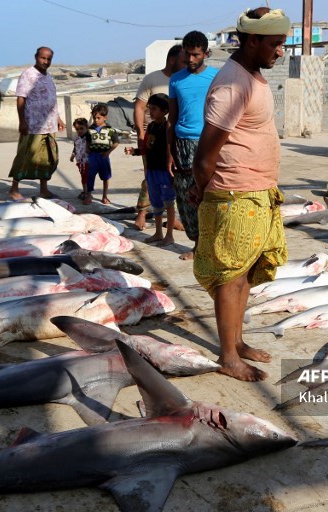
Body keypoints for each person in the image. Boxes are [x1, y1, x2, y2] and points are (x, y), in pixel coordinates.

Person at [192, 7, 290, 381]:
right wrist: (204, 197)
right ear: (252, 41)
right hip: (234, 194)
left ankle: (237, 341)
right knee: (229, 278)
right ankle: (228, 356)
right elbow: (205, 156)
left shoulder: (252, 76)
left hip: (257, 192)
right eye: (276, 44)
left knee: (244, 271)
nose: (280, 51)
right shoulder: (233, 84)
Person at [169, 30, 218, 260]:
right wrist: (170, 153)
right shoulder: (176, 80)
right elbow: (172, 118)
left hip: (209, 142)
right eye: (187, 54)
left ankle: (212, 245)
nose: (190, 60)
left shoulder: (217, 78)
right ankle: (198, 245)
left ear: (206, 53)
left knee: (210, 193)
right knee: (186, 197)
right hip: (182, 145)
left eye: (195, 55)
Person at [132, 44, 185, 231]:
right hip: (152, 136)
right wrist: (140, 133)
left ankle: (173, 218)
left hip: (176, 138)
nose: (186, 63)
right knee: (150, 176)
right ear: (172, 60)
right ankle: (142, 212)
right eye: (183, 59)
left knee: (172, 179)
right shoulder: (153, 79)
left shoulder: (185, 79)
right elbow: (139, 107)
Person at [7, 46, 65, 200]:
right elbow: (21, 98)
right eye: (43, 58)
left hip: (49, 126)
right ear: (36, 57)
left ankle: (44, 190)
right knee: (25, 157)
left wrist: (58, 118)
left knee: (47, 159)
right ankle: (14, 189)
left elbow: (51, 100)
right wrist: (22, 121)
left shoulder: (48, 76)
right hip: (33, 125)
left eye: (48, 59)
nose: (45, 61)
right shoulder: (28, 75)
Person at [125, 93, 176, 246]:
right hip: (152, 171)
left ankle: (169, 235)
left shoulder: (168, 127)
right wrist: (134, 151)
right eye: (149, 109)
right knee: (156, 203)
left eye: (154, 109)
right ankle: (159, 232)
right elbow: (147, 148)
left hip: (164, 171)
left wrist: (171, 166)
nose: (150, 112)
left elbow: (171, 148)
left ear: (165, 111)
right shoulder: (152, 127)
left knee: (169, 203)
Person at [84, 103, 118, 205]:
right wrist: (87, 148)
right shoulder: (90, 130)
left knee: (105, 177)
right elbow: (88, 141)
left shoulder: (110, 130)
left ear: (105, 118)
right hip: (93, 156)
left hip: (103, 156)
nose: (96, 120)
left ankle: (105, 196)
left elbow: (116, 142)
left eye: (99, 118)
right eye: (94, 118)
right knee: (90, 176)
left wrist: (108, 152)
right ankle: (89, 196)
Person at [70, 117, 90, 200]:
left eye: (82, 128)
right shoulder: (77, 139)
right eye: (77, 129)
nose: (79, 131)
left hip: (87, 162)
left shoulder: (89, 138)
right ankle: (85, 191)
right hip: (80, 162)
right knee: (83, 177)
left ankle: (88, 193)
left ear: (86, 128)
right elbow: (75, 148)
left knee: (86, 177)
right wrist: (73, 155)